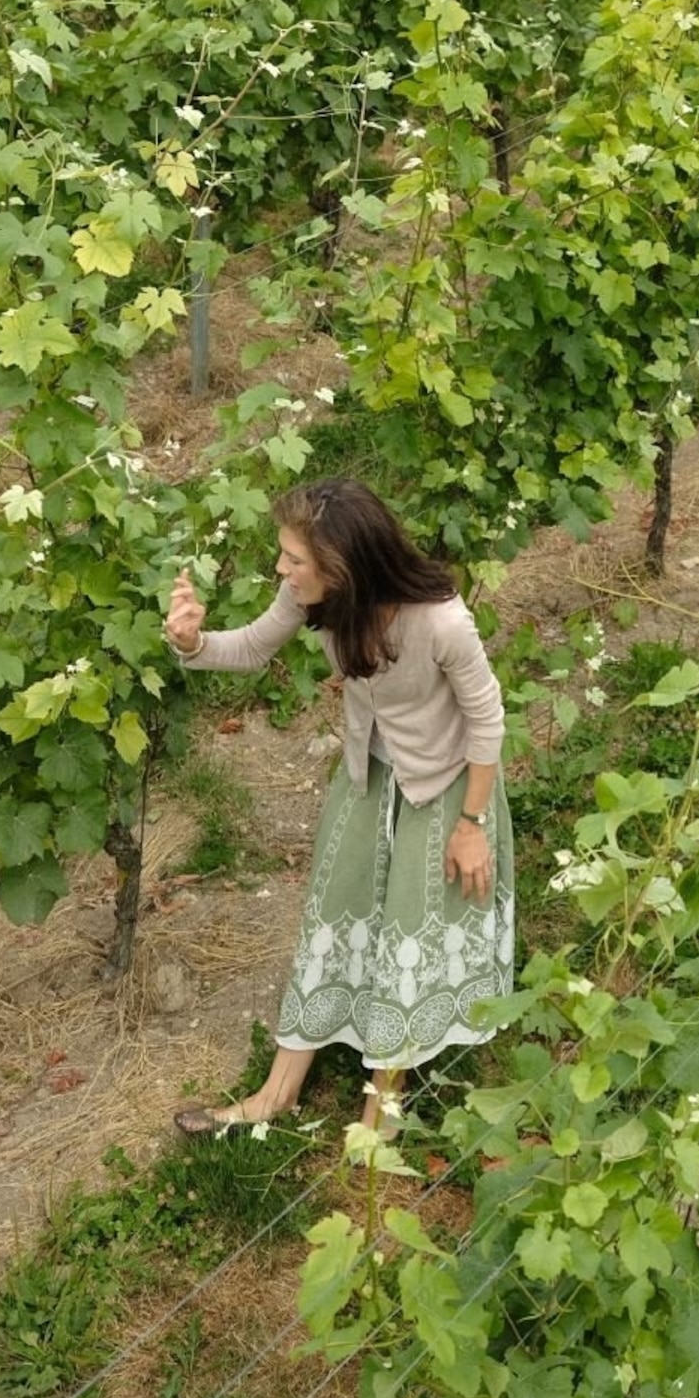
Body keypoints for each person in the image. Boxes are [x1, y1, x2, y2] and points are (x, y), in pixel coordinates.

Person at [162, 476, 514, 1136]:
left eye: (293, 559)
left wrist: (471, 826)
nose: (281, 569)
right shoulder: (316, 595)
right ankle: (276, 1094)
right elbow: (252, 647)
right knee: (335, 914)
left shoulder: (440, 622)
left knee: (408, 931)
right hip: (369, 775)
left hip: (446, 787)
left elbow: (488, 721)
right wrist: (190, 643)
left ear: (342, 567)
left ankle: (379, 1116)